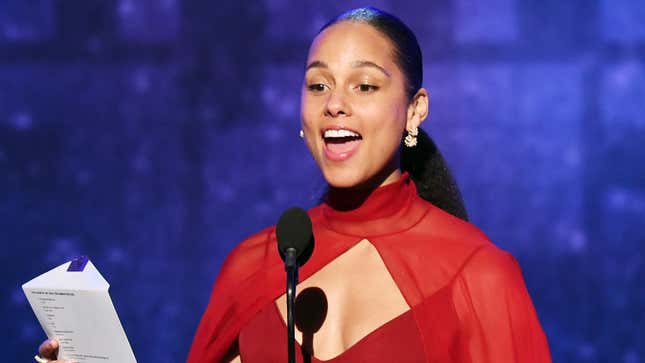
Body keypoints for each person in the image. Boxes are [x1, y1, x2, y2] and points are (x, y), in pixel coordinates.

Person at [37, 6, 551, 363]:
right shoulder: (255, 265)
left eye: (365, 85)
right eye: (318, 84)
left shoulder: (478, 274)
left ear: (415, 110)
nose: (335, 103)